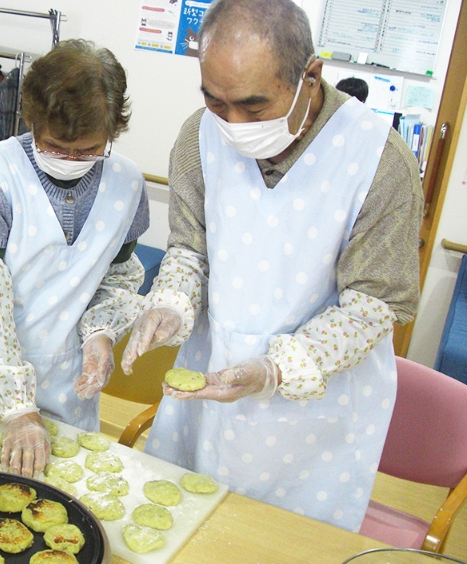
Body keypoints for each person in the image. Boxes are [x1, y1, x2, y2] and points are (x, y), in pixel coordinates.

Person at [121, 0, 422, 532]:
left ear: (310, 76)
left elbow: (373, 307)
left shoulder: (378, 160)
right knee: (184, 527)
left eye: (254, 107)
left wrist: (274, 370)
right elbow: (191, 249)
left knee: (277, 539)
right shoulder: (198, 136)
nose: (233, 123)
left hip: (314, 406)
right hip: (210, 378)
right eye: (215, 101)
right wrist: (170, 302)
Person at [0, 39, 150, 478]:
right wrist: (19, 409)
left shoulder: (128, 185)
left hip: (63, 378)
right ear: (32, 118)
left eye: (89, 151)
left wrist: (100, 333)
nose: (72, 160)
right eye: (57, 146)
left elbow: (117, 279)